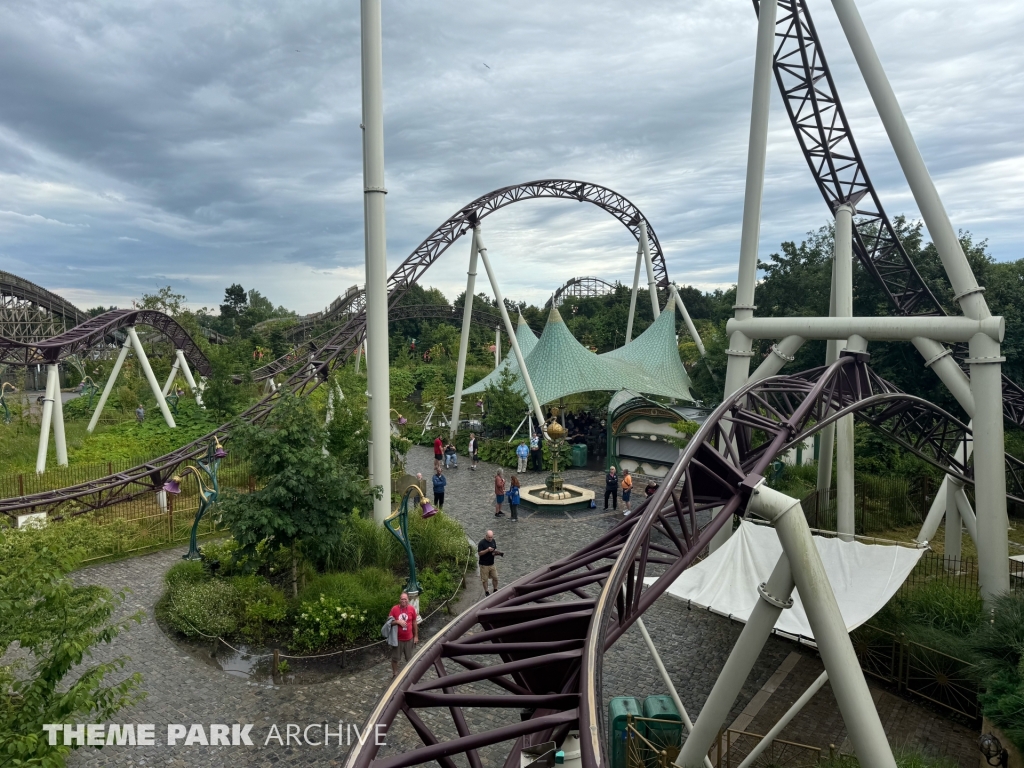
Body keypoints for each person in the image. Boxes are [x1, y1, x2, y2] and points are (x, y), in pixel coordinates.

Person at [387, 592, 419, 677]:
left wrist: (416, 636)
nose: (403, 600)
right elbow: (389, 622)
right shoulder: (394, 609)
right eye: (402, 599)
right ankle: (395, 673)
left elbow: (414, 622)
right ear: (399, 600)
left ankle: (409, 674)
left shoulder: (412, 609)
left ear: (408, 600)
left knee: (409, 658)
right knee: (395, 658)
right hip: (398, 639)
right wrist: (397, 621)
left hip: (409, 639)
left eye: (405, 599)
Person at [478, 530, 499, 595]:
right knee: (485, 579)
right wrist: (487, 550)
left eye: (491, 537)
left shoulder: (493, 541)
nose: (490, 539)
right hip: (484, 565)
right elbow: (479, 553)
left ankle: (495, 589)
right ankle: (486, 591)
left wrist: (495, 553)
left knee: (495, 577)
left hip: (491, 563)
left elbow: (494, 549)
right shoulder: (481, 543)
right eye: (489, 537)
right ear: (486, 536)